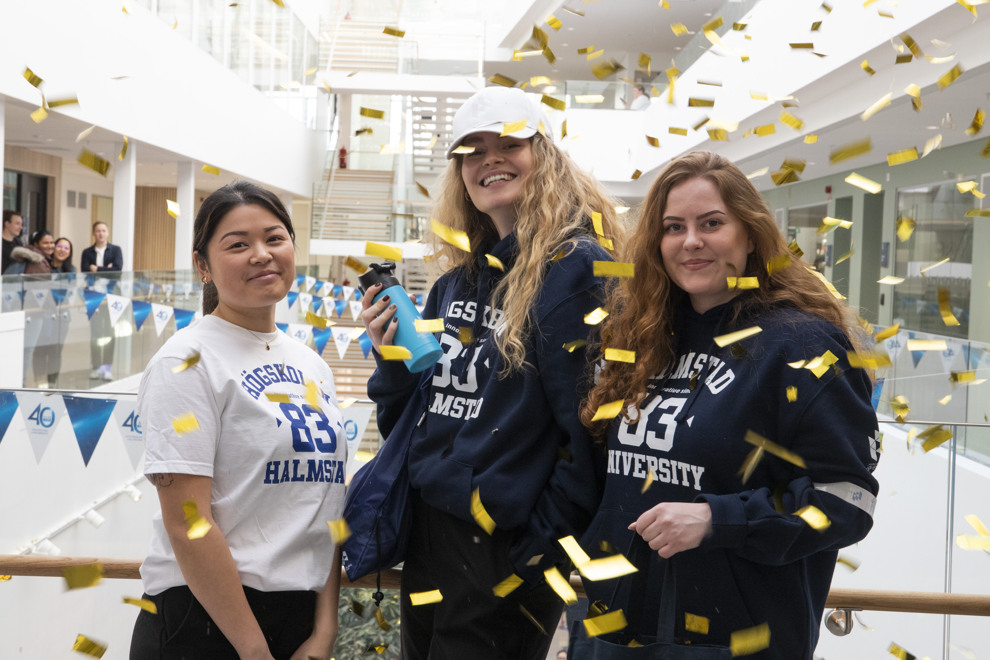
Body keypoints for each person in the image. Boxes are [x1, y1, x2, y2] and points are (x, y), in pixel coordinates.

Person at [579, 152, 880, 659]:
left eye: (711, 223)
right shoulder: (637, 336)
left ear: (750, 233)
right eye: (674, 227)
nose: (691, 241)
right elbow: (605, 495)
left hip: (741, 642)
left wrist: (719, 520)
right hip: (617, 637)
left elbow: (847, 503)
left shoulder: (803, 346)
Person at [361, 85, 623, 659]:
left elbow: (592, 432)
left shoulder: (578, 270)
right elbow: (408, 419)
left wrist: (532, 554)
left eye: (508, 142)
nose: (489, 159)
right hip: (432, 532)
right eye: (472, 150)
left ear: (545, 156)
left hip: (504, 546)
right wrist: (393, 360)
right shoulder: (456, 283)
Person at [130, 181, 345, 660]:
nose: (261, 255)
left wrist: (325, 628)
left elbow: (324, 505)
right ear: (202, 266)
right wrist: (253, 650)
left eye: (274, 238)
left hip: (298, 620)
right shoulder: (186, 361)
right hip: (205, 620)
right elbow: (188, 522)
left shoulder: (314, 365)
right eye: (238, 244)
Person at [80, 221, 123, 380]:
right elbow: (85, 271)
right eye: (98, 231)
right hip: (93, 297)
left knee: (110, 332)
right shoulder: (87, 252)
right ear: (94, 233)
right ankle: (96, 366)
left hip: (111, 298)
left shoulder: (116, 250)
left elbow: (117, 271)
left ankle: (107, 367)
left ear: (108, 232)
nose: (101, 233)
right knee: (96, 333)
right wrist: (107, 269)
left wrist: (97, 269)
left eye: (104, 230)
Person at [31, 237, 75, 388]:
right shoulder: (43, 266)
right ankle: (40, 383)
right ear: (54, 248)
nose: (62, 250)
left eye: (67, 248)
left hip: (62, 317)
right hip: (43, 315)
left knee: (56, 350)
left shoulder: (71, 271)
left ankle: (52, 384)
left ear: (70, 253)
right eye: (60, 246)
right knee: (40, 350)